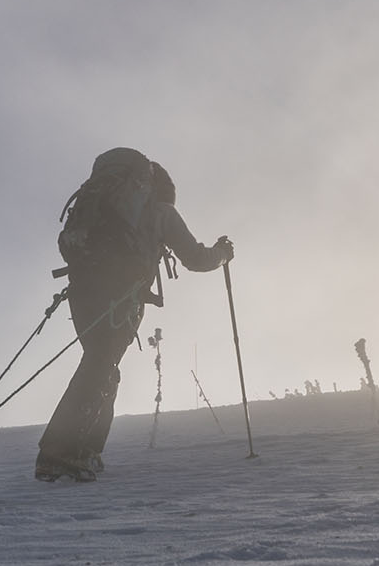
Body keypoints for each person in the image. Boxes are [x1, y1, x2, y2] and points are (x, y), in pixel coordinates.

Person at [36, 147, 233, 482]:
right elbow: (196, 259)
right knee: (100, 365)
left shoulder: (98, 205)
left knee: (102, 366)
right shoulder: (161, 212)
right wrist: (223, 255)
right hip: (120, 297)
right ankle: (58, 452)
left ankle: (83, 451)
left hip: (82, 290)